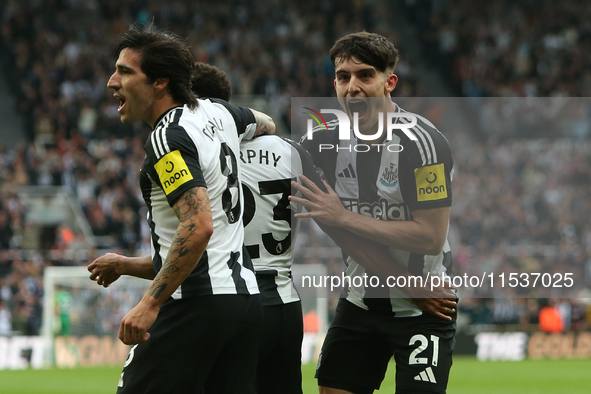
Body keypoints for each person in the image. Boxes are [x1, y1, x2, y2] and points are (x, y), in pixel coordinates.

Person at [88, 24, 275, 394]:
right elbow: (265, 122)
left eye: (125, 71)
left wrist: (150, 303)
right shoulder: (220, 114)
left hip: (195, 305)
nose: (112, 82)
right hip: (245, 303)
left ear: (160, 81)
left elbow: (199, 224)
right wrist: (125, 265)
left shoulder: (166, 138)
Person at [292, 32, 457, 394]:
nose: (352, 87)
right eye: (342, 77)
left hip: (426, 308)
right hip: (359, 304)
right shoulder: (319, 143)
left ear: (389, 83)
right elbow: (340, 233)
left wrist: (344, 216)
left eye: (365, 75)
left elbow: (430, 238)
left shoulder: (424, 144)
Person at [192, 62, 321, 394]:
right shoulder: (292, 150)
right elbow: (333, 216)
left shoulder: (197, 153)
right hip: (284, 304)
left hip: (228, 302)